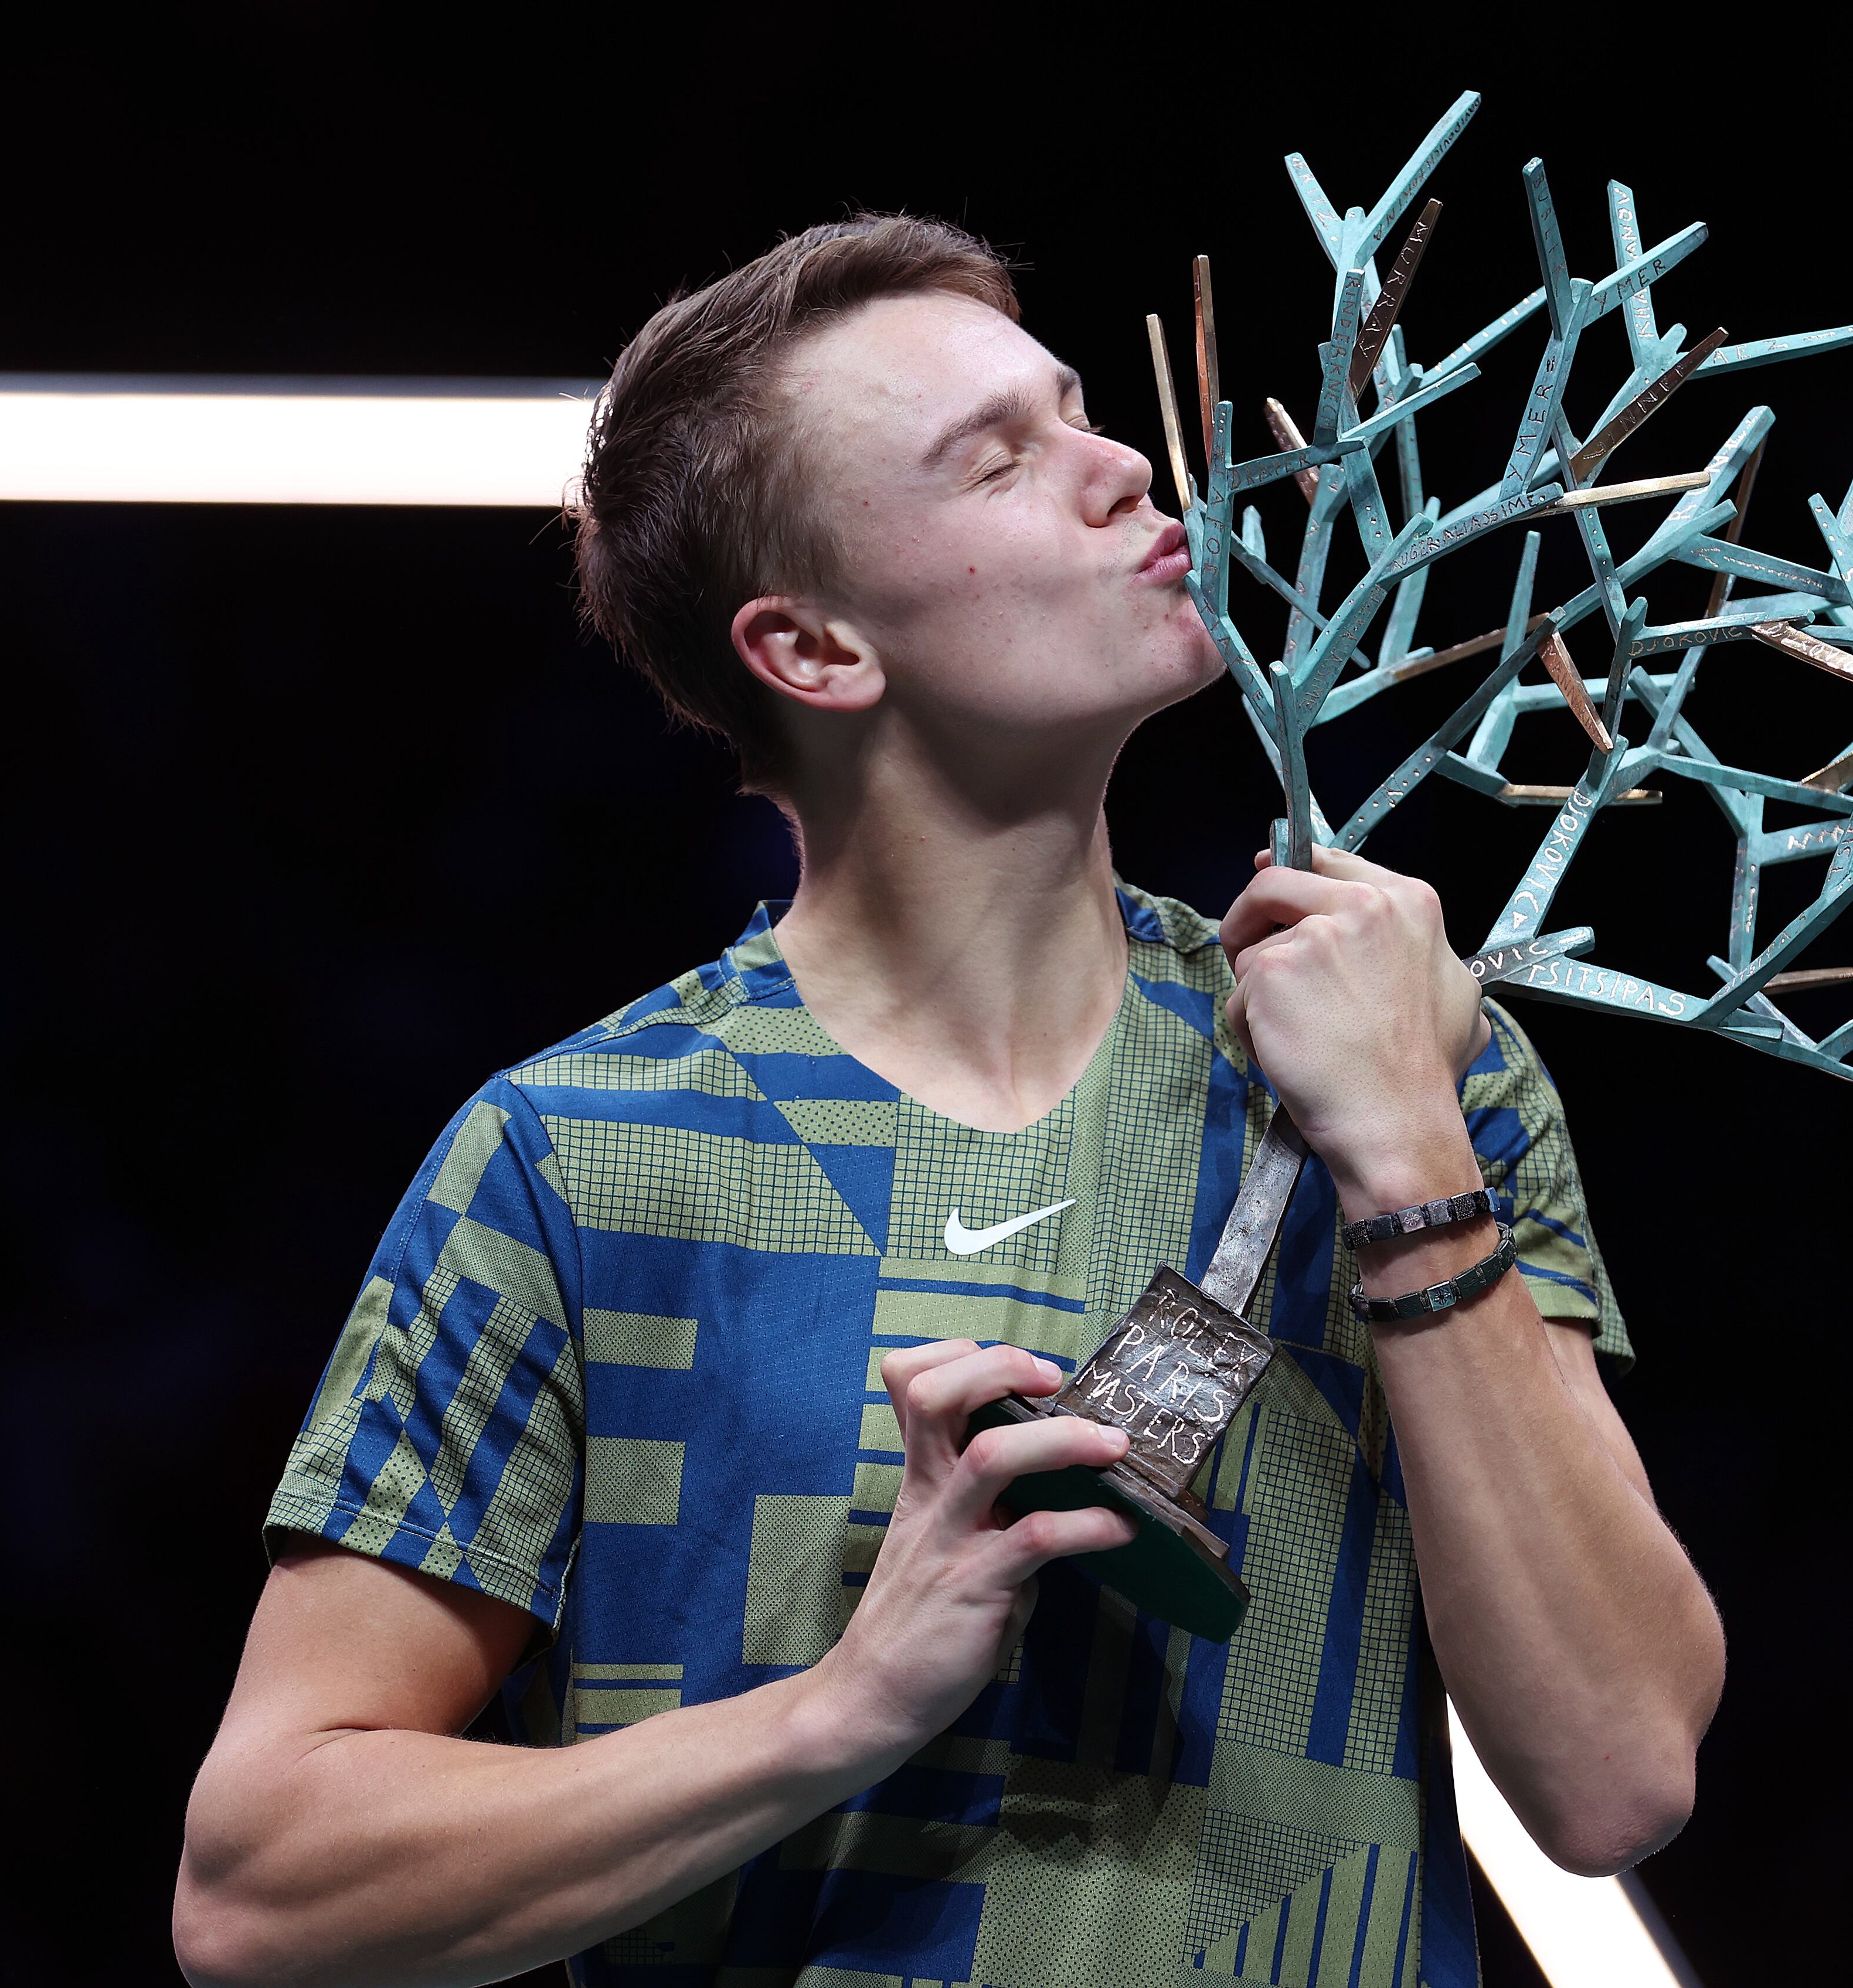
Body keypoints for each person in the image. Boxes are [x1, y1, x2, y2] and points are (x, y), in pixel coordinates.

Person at [173, 215, 1725, 1988]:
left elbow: (1614, 1776)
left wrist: (1407, 1154)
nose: (1124, 464)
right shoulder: (574, 1161)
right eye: (1000, 458)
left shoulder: (1403, 1058)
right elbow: (261, 1892)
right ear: (818, 650)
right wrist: (844, 1708)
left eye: (1073, 410)